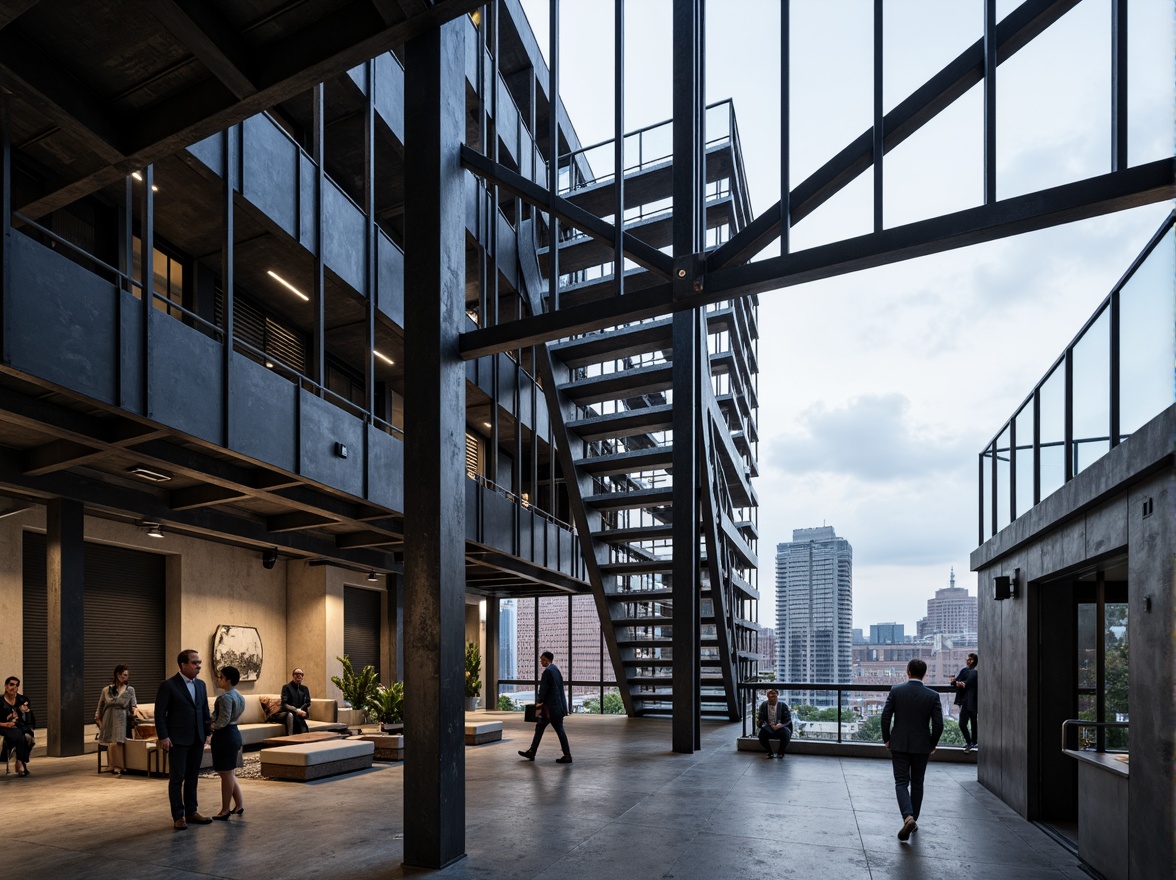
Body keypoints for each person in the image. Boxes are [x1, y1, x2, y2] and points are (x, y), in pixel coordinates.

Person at [882, 657, 944, 841]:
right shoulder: (933, 696)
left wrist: (887, 739)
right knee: (917, 783)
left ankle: (907, 817)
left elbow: (885, 717)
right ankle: (913, 819)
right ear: (924, 674)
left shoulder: (896, 690)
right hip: (921, 745)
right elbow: (938, 724)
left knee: (901, 782)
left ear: (908, 672)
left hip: (899, 743)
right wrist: (932, 743)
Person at [156, 649, 213, 830]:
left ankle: (191, 811)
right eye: (195, 663)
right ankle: (178, 816)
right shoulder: (169, 685)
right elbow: (160, 714)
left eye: (199, 662)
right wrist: (163, 736)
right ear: (183, 665)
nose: (199, 666)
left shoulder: (201, 685)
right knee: (176, 778)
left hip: (197, 738)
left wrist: (208, 731)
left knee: (193, 777)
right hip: (177, 739)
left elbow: (204, 710)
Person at [518, 651, 572, 764]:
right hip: (557, 707)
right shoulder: (556, 670)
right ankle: (533, 751)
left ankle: (566, 755)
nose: (541, 661)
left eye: (542, 659)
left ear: (547, 660)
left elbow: (544, 689)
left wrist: (539, 701)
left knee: (553, 729)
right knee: (542, 727)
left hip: (550, 709)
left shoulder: (547, 672)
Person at [210, 665, 246, 820]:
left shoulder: (225, 697)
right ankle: (239, 805)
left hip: (224, 736)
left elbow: (222, 721)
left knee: (225, 773)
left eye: (221, 677)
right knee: (229, 772)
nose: (218, 680)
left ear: (228, 680)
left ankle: (225, 810)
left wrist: (209, 727)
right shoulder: (239, 696)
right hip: (234, 733)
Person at [94, 664, 137, 776]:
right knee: (110, 741)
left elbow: (134, 705)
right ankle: (111, 765)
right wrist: (98, 717)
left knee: (119, 740)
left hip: (122, 716)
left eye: (127, 675)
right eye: (123, 675)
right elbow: (101, 705)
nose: (125, 677)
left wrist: (135, 714)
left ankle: (119, 766)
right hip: (108, 715)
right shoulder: (106, 690)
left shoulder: (130, 690)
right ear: (118, 675)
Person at [1, 676, 35, 777]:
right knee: (19, 735)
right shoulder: (0, 701)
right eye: (11, 684)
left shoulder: (22, 700)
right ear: (6, 686)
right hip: (3, 726)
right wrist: (6, 724)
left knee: (28, 738)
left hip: (18, 726)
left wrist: (26, 712)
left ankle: (20, 761)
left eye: (16, 685)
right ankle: (19, 763)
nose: (14, 688)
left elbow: (29, 717)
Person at [757, 688, 793, 758]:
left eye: (774, 694)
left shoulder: (783, 705)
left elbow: (788, 719)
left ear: (777, 695)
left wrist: (779, 726)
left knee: (786, 733)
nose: (772, 696)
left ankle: (781, 752)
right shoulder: (763, 705)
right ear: (767, 695)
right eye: (770, 693)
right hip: (769, 726)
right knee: (761, 735)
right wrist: (766, 724)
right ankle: (770, 752)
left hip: (781, 727)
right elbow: (761, 717)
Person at [953, 653, 978, 752]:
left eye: (971, 659)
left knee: (969, 723)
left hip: (970, 701)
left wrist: (962, 683)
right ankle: (971, 742)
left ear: (975, 661)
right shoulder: (965, 671)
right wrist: (957, 682)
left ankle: (971, 742)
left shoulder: (974, 672)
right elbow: (955, 681)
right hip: (969, 700)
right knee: (969, 723)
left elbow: (967, 682)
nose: (968, 661)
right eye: (968, 659)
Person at [280, 667, 311, 735]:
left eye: (301, 674)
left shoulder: (305, 688)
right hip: (289, 712)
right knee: (296, 718)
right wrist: (296, 711)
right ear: (293, 676)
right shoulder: (286, 687)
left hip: (301, 712)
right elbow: (284, 704)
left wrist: (301, 710)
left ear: (302, 677)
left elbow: (308, 702)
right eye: (296, 674)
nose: (299, 676)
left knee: (300, 718)